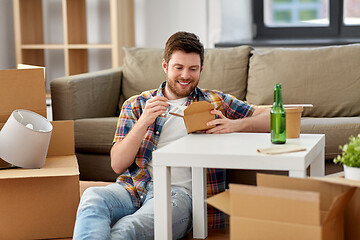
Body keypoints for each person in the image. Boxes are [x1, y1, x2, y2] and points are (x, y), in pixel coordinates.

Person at [73, 31, 270, 240]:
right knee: (92, 197)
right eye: (179, 67)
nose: (185, 75)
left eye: (193, 69)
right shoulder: (137, 104)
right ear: (165, 66)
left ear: (201, 69)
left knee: (126, 228)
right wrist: (144, 121)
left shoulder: (216, 101)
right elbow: (118, 164)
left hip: (179, 196)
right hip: (133, 188)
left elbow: (273, 116)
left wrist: (235, 125)